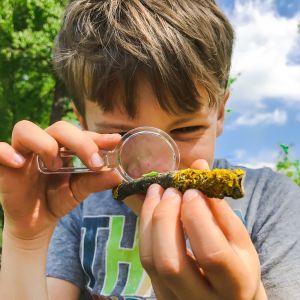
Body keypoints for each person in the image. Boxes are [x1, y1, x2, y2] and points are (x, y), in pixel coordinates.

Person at [0, 1, 299, 299]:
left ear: (219, 114)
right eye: (121, 135)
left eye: (185, 130)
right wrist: (27, 238)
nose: (156, 167)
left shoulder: (272, 203)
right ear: (82, 121)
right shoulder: (72, 208)